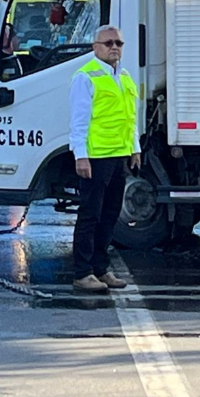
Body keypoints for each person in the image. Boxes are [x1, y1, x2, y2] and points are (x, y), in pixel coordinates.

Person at [68, 25, 140, 293]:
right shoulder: (85, 77)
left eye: (119, 43)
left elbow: (129, 117)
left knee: (109, 216)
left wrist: (135, 148)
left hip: (118, 156)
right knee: (90, 215)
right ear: (95, 47)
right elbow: (79, 121)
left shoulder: (124, 77)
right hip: (96, 158)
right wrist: (81, 156)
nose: (114, 47)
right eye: (108, 42)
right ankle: (82, 272)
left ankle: (100, 268)